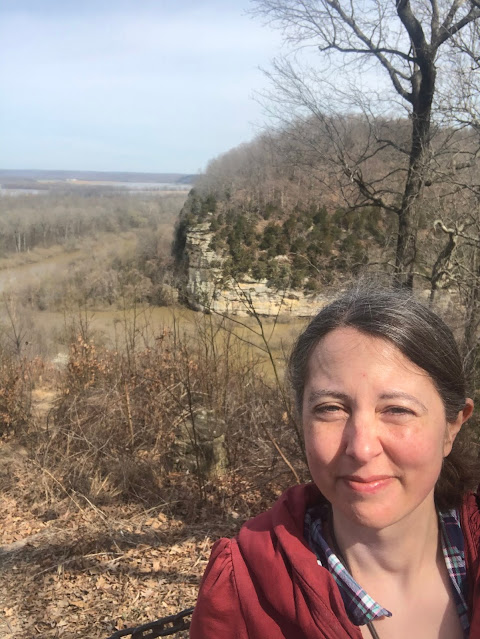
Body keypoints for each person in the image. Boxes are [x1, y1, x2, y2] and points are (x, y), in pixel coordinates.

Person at [189, 285, 480, 639]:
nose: (361, 447)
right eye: (331, 409)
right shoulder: (242, 596)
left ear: (452, 426)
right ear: (302, 419)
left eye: (398, 410)